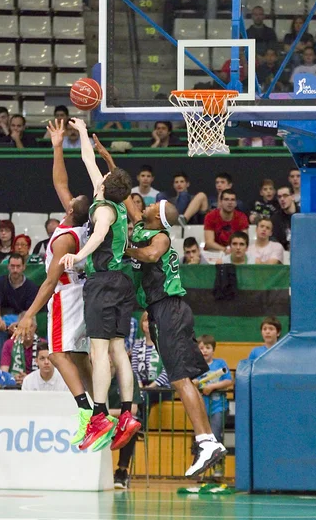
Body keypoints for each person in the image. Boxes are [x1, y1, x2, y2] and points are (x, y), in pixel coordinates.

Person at [95, 136, 228, 477]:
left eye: (154, 207)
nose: (148, 206)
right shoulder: (141, 225)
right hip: (160, 311)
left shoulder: (162, 238)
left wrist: (125, 252)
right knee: (183, 381)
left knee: (180, 380)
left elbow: (152, 255)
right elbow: (123, 190)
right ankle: (207, 440)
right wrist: (108, 157)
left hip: (169, 307)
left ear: (160, 217)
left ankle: (206, 441)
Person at [59, 119, 140, 452]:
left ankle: (101, 414)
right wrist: (79, 131)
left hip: (104, 281)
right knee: (119, 349)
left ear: (106, 185)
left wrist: (78, 256)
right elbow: (89, 161)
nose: (99, 176)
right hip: (123, 282)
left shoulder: (104, 209)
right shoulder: (115, 203)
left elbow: (102, 234)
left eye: (103, 177)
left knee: (99, 352)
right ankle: (128, 413)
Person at [14, 119, 92, 443]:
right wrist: (57, 145)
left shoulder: (63, 240)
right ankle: (99, 407)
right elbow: (60, 183)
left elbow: (48, 283)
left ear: (73, 211)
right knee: (77, 356)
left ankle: (85, 410)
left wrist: (30, 313)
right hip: (82, 292)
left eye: (73, 200)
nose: (69, 197)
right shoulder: (79, 222)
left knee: (58, 354)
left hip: (65, 294)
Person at [196, 334, 233, 478]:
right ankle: (202, 470)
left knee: (216, 436)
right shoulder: (196, 365)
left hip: (218, 407)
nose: (204, 351)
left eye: (207, 347)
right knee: (202, 440)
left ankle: (218, 468)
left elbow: (228, 381)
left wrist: (212, 387)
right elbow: (192, 382)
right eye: (201, 348)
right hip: (200, 408)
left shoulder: (220, 363)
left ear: (213, 349)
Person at [0, 253, 39, 358]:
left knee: (28, 330)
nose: (15, 270)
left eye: (18, 266)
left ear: (23, 267)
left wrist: (19, 324)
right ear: (8, 266)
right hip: (5, 320)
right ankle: (1, 364)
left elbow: (30, 311)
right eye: (12, 266)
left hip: (24, 319)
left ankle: (24, 367)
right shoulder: (0, 282)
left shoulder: (31, 286)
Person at [131, 311, 171, 425]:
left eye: (151, 321)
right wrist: (139, 386)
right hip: (142, 385)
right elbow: (134, 369)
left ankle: (141, 426)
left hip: (161, 387)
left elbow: (167, 371)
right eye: (145, 320)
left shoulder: (164, 344)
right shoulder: (137, 345)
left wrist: (151, 387)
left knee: (144, 395)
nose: (148, 324)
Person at [109, 357, 143, 489]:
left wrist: (106, 412)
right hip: (101, 421)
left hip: (121, 421)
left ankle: (121, 471)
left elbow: (133, 409)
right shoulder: (93, 374)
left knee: (130, 426)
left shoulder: (127, 376)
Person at [0, 315, 44, 385]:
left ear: (35, 328)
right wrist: (13, 377)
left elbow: (49, 370)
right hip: (14, 384)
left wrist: (28, 379)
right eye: (24, 327)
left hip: (38, 385)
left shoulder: (43, 345)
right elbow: (4, 372)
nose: (27, 330)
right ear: (18, 328)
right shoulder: (9, 344)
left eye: (31, 326)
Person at [271, 186, 300, 251]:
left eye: (285, 196)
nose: (282, 199)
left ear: (293, 197)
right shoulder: (275, 219)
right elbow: (274, 240)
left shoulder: (303, 215)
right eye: (279, 197)